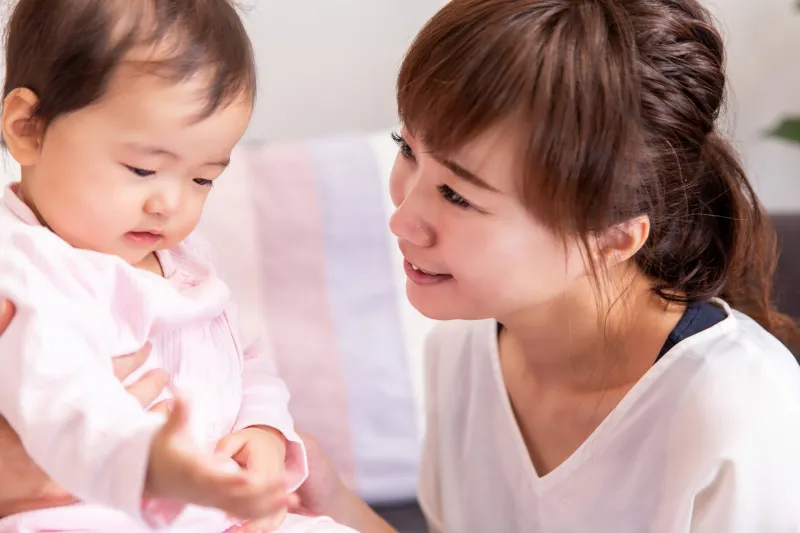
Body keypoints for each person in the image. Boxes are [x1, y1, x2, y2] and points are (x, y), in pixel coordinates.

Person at [2, 0, 800, 532]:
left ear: (611, 235)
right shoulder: (465, 350)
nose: (401, 214)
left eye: (457, 194)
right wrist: (335, 499)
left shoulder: (737, 412)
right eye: (406, 152)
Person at [0, 1, 356, 532]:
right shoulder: (28, 268)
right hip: (88, 512)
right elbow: (63, 402)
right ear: (28, 129)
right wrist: (154, 466)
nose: (170, 204)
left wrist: (263, 430)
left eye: (202, 178)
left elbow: (243, 360)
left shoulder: (185, 261)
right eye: (144, 168)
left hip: (209, 506)